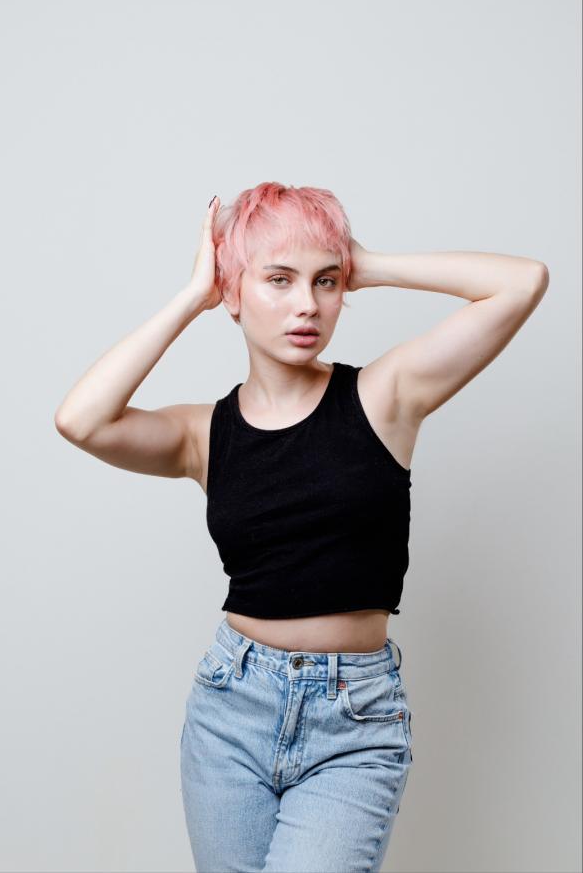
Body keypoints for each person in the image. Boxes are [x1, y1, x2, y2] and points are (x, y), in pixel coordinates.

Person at [54, 182, 549, 872]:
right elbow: (81, 419)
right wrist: (194, 295)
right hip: (230, 713)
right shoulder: (203, 434)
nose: (307, 304)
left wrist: (369, 264)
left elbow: (522, 282)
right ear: (234, 292)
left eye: (325, 281)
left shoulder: (384, 396)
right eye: (279, 279)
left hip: (354, 722)